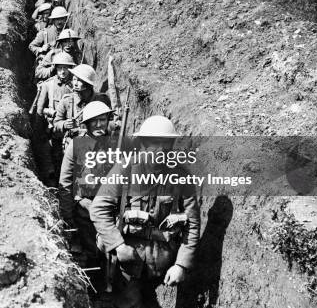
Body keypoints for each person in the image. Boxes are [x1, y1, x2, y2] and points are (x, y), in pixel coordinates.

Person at [90, 116, 201, 307]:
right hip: (128, 260)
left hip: (163, 265)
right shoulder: (125, 169)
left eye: (165, 143)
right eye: (152, 142)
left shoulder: (182, 176)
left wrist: (181, 265)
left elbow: (192, 224)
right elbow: (99, 208)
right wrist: (118, 246)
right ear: (142, 143)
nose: (159, 149)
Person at [59, 101, 114, 266]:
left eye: (103, 120)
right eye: (94, 121)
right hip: (84, 209)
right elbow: (66, 183)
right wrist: (68, 218)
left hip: (110, 209)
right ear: (87, 124)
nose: (99, 125)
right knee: (90, 252)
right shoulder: (76, 146)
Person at [35, 52, 76, 186]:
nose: (63, 72)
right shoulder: (49, 85)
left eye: (66, 68)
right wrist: (50, 113)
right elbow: (39, 110)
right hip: (53, 128)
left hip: (71, 128)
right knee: (53, 154)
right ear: (55, 69)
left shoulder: (75, 85)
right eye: (60, 68)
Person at [53, 64, 111, 149]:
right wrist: (65, 124)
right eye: (74, 79)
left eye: (79, 80)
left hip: (97, 145)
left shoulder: (102, 100)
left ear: (88, 84)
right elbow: (56, 123)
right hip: (74, 146)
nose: (75, 83)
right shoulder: (67, 101)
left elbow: (112, 122)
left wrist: (103, 128)